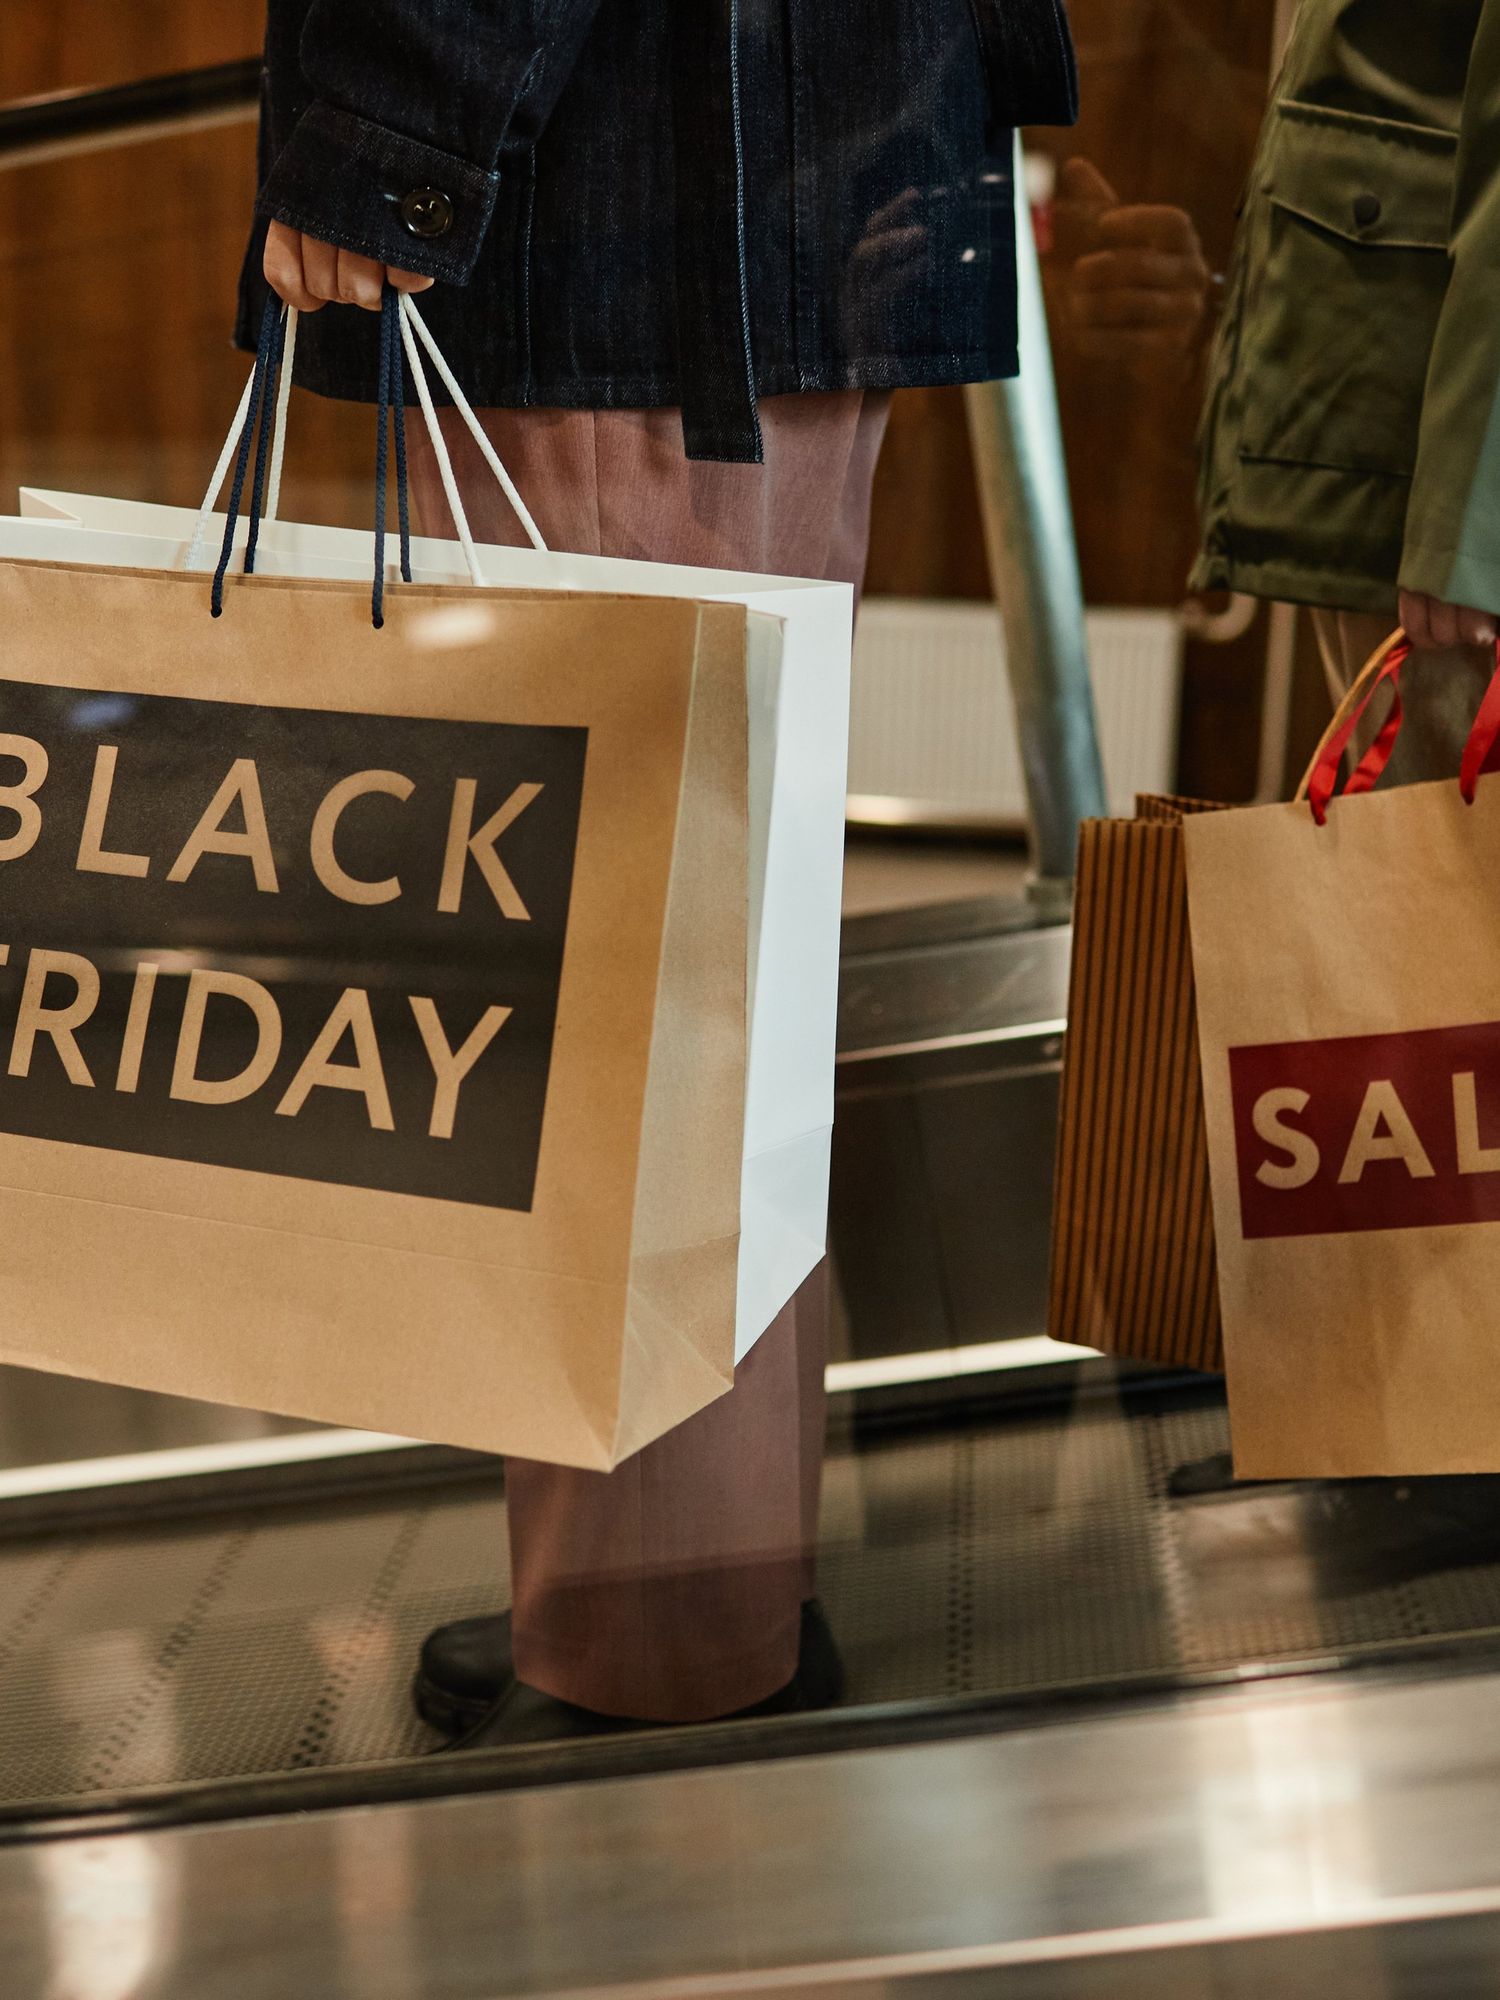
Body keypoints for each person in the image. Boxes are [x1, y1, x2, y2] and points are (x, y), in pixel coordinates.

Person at [243, 0, 1079, 1746]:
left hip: (635, 214)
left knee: (632, 983)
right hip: (772, 173)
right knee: (708, 956)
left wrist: (392, 132)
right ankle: (683, 1589)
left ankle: (665, 1655)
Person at [1194, 0, 1500, 774]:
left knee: (1439, 858)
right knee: (1394, 848)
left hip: (1432, 418)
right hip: (1368, 388)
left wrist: (1464, 523)